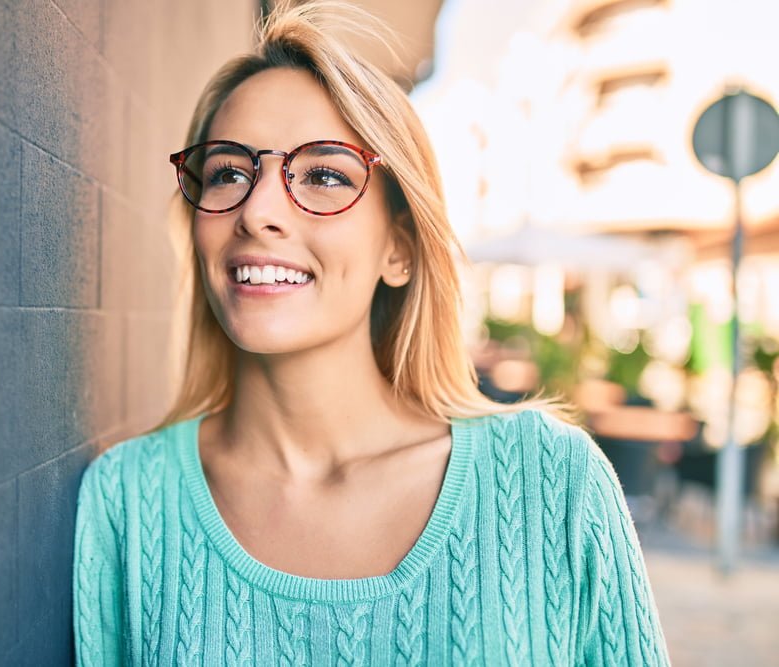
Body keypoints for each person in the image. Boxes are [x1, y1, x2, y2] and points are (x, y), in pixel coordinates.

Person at [73, 2, 669, 664]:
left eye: (325, 174)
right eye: (228, 171)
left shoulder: (553, 485)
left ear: (401, 248)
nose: (258, 210)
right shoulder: (128, 502)